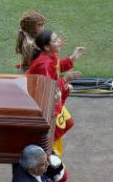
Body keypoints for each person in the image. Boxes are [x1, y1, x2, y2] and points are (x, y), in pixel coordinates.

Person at [26, 29, 84, 157]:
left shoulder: (51, 55)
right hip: (45, 105)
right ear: (46, 47)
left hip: (53, 99)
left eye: (58, 39)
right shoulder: (44, 65)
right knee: (58, 131)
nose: (59, 42)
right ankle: (49, 156)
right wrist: (66, 80)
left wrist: (72, 57)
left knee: (67, 123)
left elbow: (57, 67)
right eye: (55, 40)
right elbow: (48, 90)